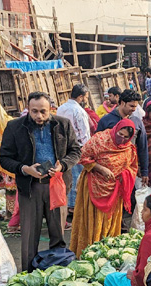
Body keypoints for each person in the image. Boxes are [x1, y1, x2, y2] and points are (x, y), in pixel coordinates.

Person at [0, 92, 81, 271]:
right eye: (34, 111)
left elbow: (75, 151)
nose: (38, 116)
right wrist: (24, 169)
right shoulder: (15, 127)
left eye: (43, 111)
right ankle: (29, 275)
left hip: (57, 185)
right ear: (27, 109)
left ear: (51, 108)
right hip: (30, 188)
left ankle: (58, 275)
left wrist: (63, 165)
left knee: (58, 234)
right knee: (29, 237)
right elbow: (4, 158)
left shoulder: (63, 124)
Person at [70, 119, 138, 256]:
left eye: (126, 137)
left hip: (115, 190)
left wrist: (124, 175)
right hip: (93, 186)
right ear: (116, 129)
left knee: (110, 222)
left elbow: (132, 167)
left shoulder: (129, 148)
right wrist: (100, 169)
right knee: (92, 220)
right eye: (120, 134)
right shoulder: (100, 139)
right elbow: (81, 156)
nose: (122, 139)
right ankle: (88, 252)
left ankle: (107, 253)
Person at [97, 89, 150, 187]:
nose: (134, 109)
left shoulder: (137, 122)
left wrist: (144, 171)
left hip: (129, 169)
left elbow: (143, 147)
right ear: (122, 103)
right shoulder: (106, 121)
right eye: (131, 106)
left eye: (135, 106)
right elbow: (96, 146)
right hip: (109, 171)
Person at [56, 84, 91, 226]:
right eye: (86, 97)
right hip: (77, 149)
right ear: (81, 96)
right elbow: (84, 134)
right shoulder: (79, 111)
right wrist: (87, 151)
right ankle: (75, 209)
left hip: (63, 148)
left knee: (67, 179)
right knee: (78, 179)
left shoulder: (61, 108)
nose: (86, 100)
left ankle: (69, 208)